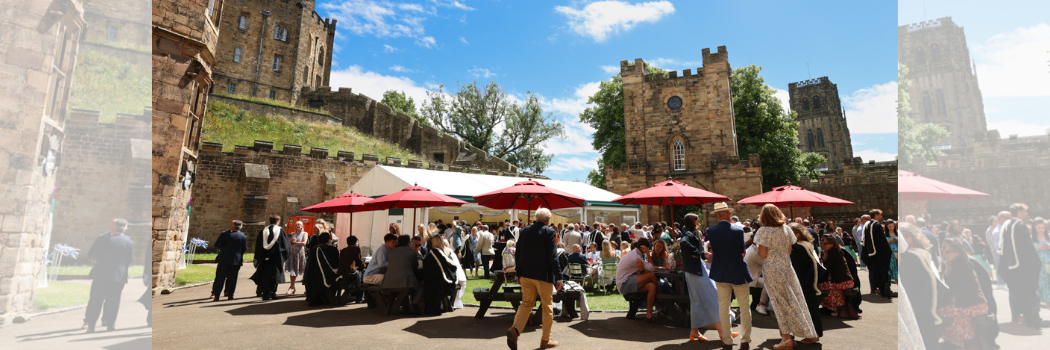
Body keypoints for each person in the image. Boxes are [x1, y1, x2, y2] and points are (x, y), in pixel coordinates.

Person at [753, 204, 818, 349]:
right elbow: (789, 251)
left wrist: (758, 247)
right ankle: (806, 332)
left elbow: (763, 255)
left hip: (772, 269)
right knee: (794, 299)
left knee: (779, 303)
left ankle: (787, 339)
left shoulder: (763, 231)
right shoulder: (787, 229)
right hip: (787, 268)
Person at [506, 208, 563, 350]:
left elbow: (518, 252)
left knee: (526, 303)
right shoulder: (549, 232)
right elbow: (553, 256)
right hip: (543, 275)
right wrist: (559, 276)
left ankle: (515, 329)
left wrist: (518, 273)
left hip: (525, 274)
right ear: (548, 219)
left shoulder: (524, 231)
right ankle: (545, 340)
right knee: (547, 307)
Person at [704, 204, 752, 349]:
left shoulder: (711, 230)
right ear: (727, 214)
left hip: (721, 271)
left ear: (717, 216)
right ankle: (745, 340)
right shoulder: (738, 230)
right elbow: (742, 249)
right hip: (737, 270)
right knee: (744, 307)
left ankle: (727, 340)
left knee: (723, 308)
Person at [82, 218, 135, 333]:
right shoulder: (129, 242)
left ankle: (91, 326)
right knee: (114, 301)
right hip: (118, 276)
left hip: (101, 274)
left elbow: (92, 253)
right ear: (125, 229)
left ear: (114, 227)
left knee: (96, 300)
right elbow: (130, 259)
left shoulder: (104, 238)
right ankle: (110, 325)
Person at [998, 203, 1043, 328]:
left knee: (1020, 293)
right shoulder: (1019, 226)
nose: (1027, 214)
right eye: (1025, 211)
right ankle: (1031, 318)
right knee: (1030, 293)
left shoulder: (1008, 225)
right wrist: (1036, 263)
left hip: (1012, 266)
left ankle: (1028, 317)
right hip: (1023, 267)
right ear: (1019, 211)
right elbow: (1027, 248)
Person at [899, 222, 943, 349]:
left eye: (905, 237)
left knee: (924, 337)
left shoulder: (910, 256)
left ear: (913, 238)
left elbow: (916, 282)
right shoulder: (921, 252)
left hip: (920, 305)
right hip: (926, 303)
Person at [939, 240, 990, 349]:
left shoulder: (957, 265)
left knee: (940, 311)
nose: (945, 253)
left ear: (957, 253)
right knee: (962, 325)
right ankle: (970, 343)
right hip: (979, 304)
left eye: (948, 252)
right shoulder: (964, 262)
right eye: (943, 251)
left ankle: (957, 343)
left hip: (971, 306)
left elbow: (949, 287)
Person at [787, 223, 823, 340]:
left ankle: (812, 335)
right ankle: (814, 333)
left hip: (802, 281)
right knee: (810, 307)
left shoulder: (798, 248)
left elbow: (797, 267)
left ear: (797, 234)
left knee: (807, 309)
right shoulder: (807, 244)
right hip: (809, 280)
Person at [616, 238, 659, 323]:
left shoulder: (635, 254)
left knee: (651, 286)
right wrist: (647, 253)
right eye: (647, 248)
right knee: (651, 275)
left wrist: (641, 270)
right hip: (624, 284)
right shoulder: (636, 256)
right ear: (643, 248)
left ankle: (649, 316)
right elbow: (651, 269)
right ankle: (661, 295)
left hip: (625, 283)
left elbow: (641, 270)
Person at [251, 215, 290, 301]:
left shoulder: (263, 231)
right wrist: (283, 257)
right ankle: (272, 293)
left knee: (265, 275)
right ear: (278, 221)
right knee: (275, 276)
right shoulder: (280, 231)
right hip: (276, 259)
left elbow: (258, 246)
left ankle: (264, 294)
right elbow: (285, 247)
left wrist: (261, 257)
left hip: (265, 258)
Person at [819, 235, 859, 319]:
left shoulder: (831, 252)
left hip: (841, 282)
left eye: (825, 243)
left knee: (820, 287)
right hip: (848, 281)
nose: (823, 245)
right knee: (836, 292)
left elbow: (826, 268)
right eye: (822, 243)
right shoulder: (837, 251)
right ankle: (840, 310)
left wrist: (824, 257)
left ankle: (833, 309)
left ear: (832, 244)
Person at [382, 235, 424, 315]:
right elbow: (415, 266)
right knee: (420, 286)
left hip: (389, 281)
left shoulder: (392, 252)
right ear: (409, 243)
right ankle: (414, 305)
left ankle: (405, 306)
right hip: (405, 280)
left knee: (404, 284)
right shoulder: (412, 252)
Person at [862, 209, 895, 298]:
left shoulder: (868, 224)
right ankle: (885, 291)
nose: (881, 216)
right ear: (876, 215)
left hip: (871, 253)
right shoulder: (876, 225)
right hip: (879, 254)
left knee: (876, 272)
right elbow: (882, 241)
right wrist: (888, 252)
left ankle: (880, 289)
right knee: (883, 273)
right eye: (880, 215)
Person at [212, 220, 248, 301]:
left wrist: (224, 249)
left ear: (232, 226)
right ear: (241, 228)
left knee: (220, 278)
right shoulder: (243, 236)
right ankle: (230, 295)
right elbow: (244, 248)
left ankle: (217, 296)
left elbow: (217, 244)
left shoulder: (225, 234)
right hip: (236, 260)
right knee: (233, 278)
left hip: (224, 258)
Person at [422, 235, 457, 315]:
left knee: (434, 293)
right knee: (436, 293)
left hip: (436, 278)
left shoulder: (435, 252)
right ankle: (434, 311)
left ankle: (433, 311)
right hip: (437, 278)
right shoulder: (441, 252)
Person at [305, 233, 340, 306]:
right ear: (328, 240)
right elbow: (337, 262)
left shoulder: (314, 249)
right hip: (330, 275)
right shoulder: (333, 249)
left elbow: (310, 264)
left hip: (316, 276)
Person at [337, 236, 366, 304]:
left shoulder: (343, 250)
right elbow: (360, 263)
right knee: (364, 273)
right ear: (356, 242)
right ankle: (360, 297)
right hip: (351, 274)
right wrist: (365, 266)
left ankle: (356, 295)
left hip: (343, 274)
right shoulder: (356, 249)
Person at [285, 221, 307, 295]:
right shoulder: (292, 233)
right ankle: (292, 287)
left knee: (300, 271)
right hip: (292, 254)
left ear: (302, 226)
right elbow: (288, 243)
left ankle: (305, 289)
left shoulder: (304, 233)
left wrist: (295, 242)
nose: (298, 225)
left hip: (299, 254)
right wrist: (291, 241)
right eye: (297, 224)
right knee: (292, 270)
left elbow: (304, 243)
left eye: (299, 224)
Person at [1033, 218, 1050, 311]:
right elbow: (1028, 254)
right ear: (1034, 227)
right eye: (1039, 227)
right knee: (1043, 288)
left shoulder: (1049, 237)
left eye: (1043, 227)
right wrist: (1037, 249)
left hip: (1049, 264)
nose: (1041, 229)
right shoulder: (1031, 239)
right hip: (1040, 267)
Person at [886, 219, 900, 284]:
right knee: (892, 269)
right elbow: (882, 244)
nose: (891, 228)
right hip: (890, 254)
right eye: (890, 226)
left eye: (893, 226)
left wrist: (898, 240)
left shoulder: (898, 233)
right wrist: (889, 241)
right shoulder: (885, 234)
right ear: (887, 226)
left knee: (898, 269)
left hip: (898, 253)